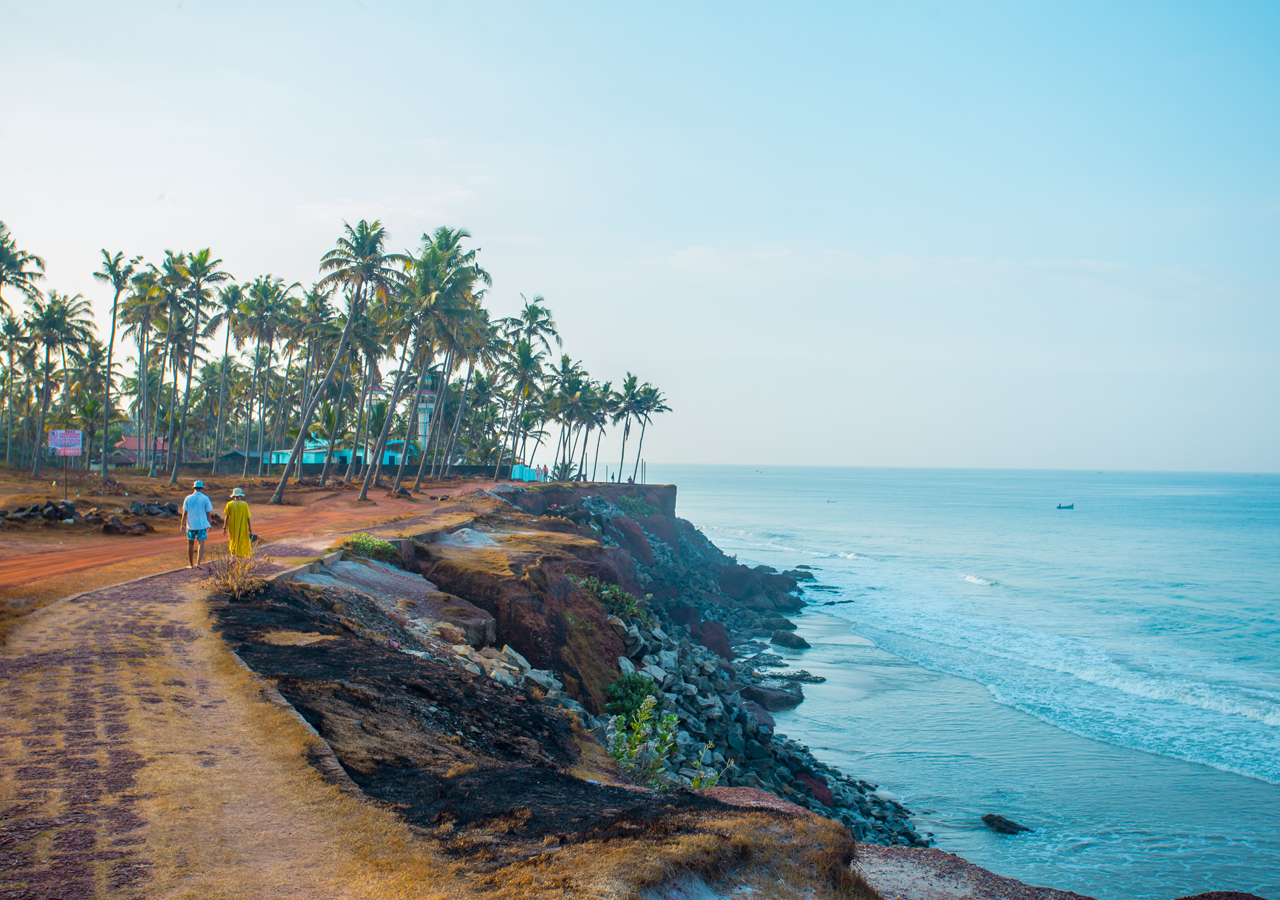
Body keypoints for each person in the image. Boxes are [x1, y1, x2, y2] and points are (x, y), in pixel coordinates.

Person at [180, 480, 215, 569]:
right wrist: (209, 524)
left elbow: (185, 512)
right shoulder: (206, 498)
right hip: (202, 524)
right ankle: (198, 563)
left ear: (194, 488)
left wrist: (182, 524)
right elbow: (208, 513)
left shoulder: (188, 498)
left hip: (190, 525)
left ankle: (191, 564)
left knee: (190, 544)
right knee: (201, 544)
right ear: (203, 488)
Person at [222, 487, 253, 557]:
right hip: (243, 526)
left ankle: (233, 554)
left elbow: (226, 517)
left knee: (233, 539)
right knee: (242, 539)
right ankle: (241, 554)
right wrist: (250, 527)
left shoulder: (229, 504)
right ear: (240, 495)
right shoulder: (244, 504)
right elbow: (248, 517)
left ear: (233, 496)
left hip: (233, 526)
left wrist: (224, 527)